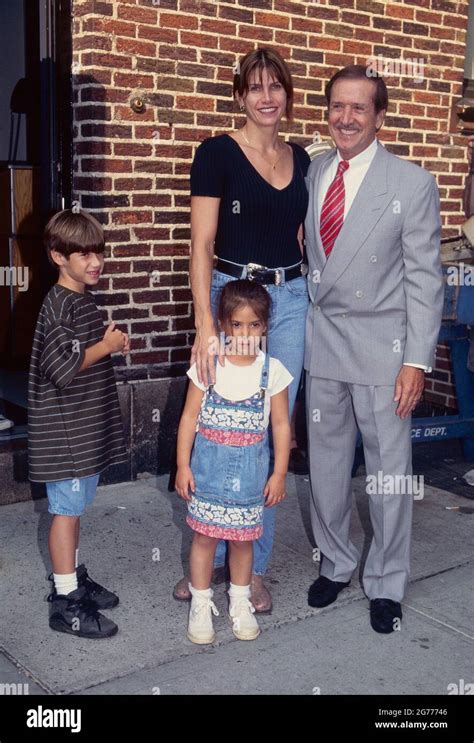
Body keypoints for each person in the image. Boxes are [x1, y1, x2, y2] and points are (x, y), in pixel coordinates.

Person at [304, 65, 443, 633]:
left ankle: (386, 581)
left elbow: (425, 279)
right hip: (324, 344)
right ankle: (335, 563)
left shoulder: (411, 183)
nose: (346, 117)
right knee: (328, 466)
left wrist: (416, 359)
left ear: (380, 117)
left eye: (359, 108)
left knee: (388, 474)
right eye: (338, 106)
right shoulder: (314, 172)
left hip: (385, 353)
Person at [173, 47, 310, 612]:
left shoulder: (303, 159)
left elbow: (303, 238)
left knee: (270, 428)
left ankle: (251, 570)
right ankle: (207, 558)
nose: (266, 96)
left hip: (292, 298)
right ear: (239, 96)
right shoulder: (216, 154)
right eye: (255, 87)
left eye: (275, 86)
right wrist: (206, 323)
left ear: (286, 95)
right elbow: (200, 244)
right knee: (216, 421)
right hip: (231, 300)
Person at [28, 209, 129, 639]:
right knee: (65, 513)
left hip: (80, 431)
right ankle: (65, 601)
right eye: (83, 254)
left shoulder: (79, 299)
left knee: (74, 510)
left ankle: (71, 576)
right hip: (65, 435)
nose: (94, 262)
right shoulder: (58, 306)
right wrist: (106, 346)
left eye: (98, 253)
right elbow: (62, 368)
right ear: (57, 256)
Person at [175, 279, 292, 643]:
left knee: (243, 541)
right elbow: (189, 417)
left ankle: (240, 602)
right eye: (236, 325)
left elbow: (281, 424)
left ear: (265, 326)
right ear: (223, 325)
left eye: (254, 325)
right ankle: (200, 602)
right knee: (205, 538)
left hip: (251, 478)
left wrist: (280, 473)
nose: (245, 333)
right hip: (207, 475)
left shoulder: (271, 372)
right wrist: (182, 465)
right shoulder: (207, 365)